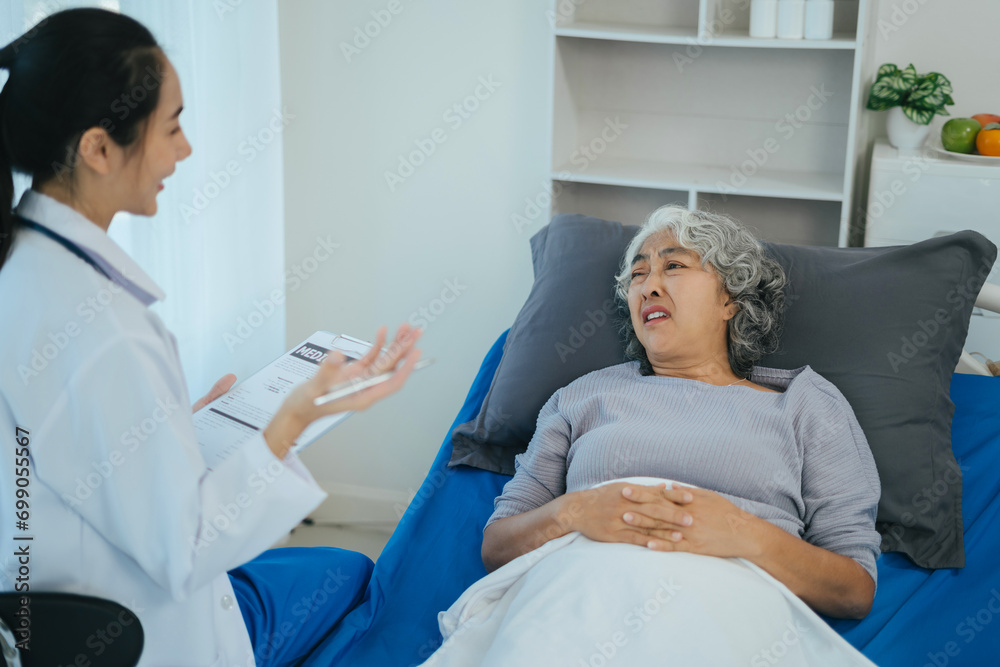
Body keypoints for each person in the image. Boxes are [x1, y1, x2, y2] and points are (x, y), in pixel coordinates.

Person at [0, 8, 421, 666]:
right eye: (171, 126)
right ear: (98, 148)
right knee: (355, 578)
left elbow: (58, 458)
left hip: (47, 611)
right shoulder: (102, 329)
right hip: (133, 633)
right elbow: (186, 546)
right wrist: (289, 420)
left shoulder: (21, 269)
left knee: (335, 572)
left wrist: (174, 427)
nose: (185, 149)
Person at [481, 205, 881, 621]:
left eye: (673, 265)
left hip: (728, 617)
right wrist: (574, 512)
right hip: (579, 604)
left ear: (731, 299)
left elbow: (853, 591)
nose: (649, 286)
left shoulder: (805, 404)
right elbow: (498, 546)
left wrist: (743, 533)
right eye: (638, 275)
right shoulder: (582, 396)